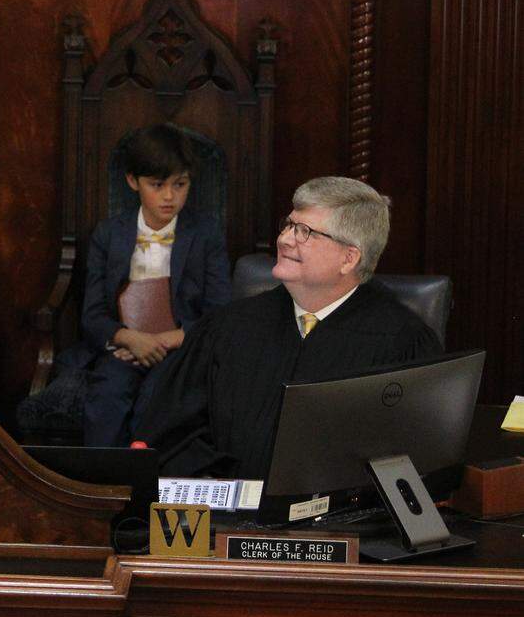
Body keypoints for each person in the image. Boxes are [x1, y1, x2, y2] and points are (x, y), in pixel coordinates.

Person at [131, 176, 442, 478]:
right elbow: (172, 433)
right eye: (289, 224)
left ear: (349, 259)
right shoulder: (227, 327)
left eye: (305, 231)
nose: (284, 239)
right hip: (226, 519)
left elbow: (415, 462)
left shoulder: (400, 343)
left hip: (341, 527)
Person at [78, 124, 231, 445]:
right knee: (107, 396)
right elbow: (92, 315)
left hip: (178, 349)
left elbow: (219, 313)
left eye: (180, 184)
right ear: (133, 181)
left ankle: (151, 486)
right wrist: (129, 339)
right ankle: (103, 486)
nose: (169, 196)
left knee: (157, 401)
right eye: (157, 184)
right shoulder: (109, 234)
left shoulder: (205, 233)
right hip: (123, 349)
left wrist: (163, 341)